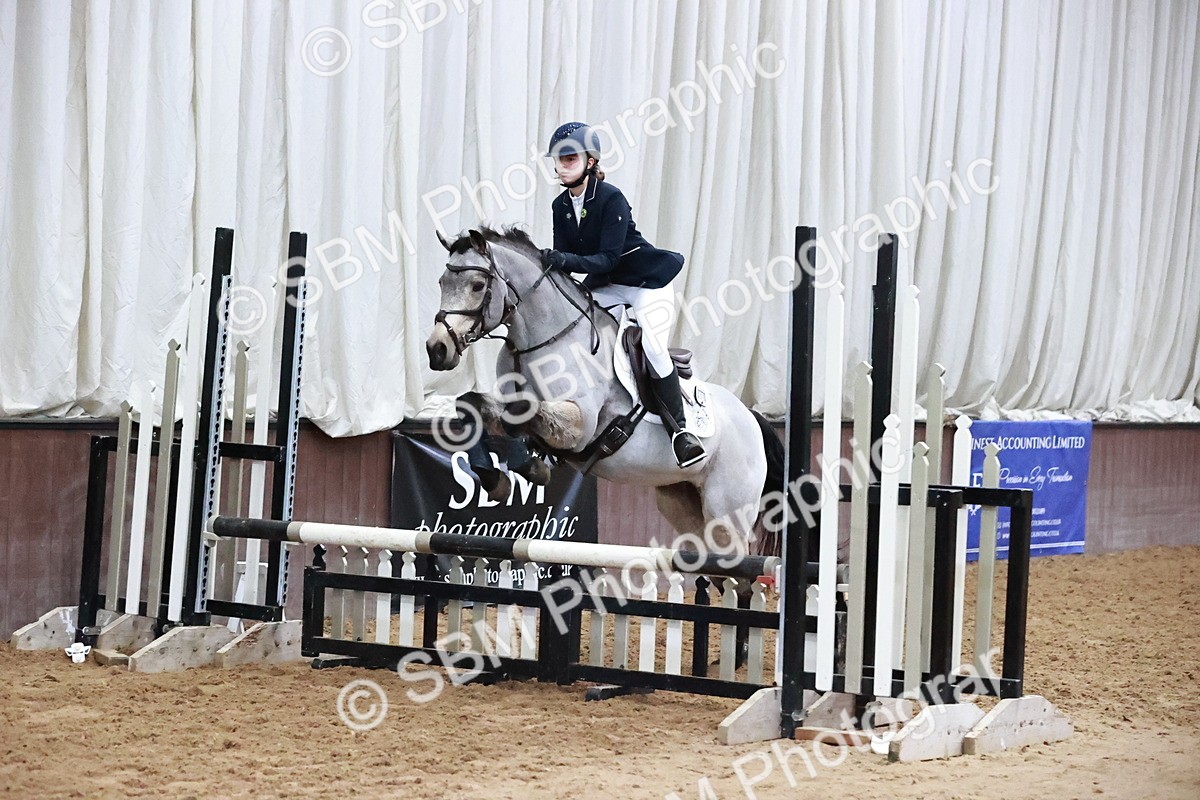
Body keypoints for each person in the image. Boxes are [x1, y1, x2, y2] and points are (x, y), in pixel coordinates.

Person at [539, 122, 706, 468]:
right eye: (558, 160)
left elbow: (607, 258)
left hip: (646, 283)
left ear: (590, 162)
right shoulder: (560, 206)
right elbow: (566, 261)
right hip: (608, 284)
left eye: (570, 158)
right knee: (578, 333)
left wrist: (563, 259)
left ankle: (681, 432)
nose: (562, 166)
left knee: (653, 347)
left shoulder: (610, 197)